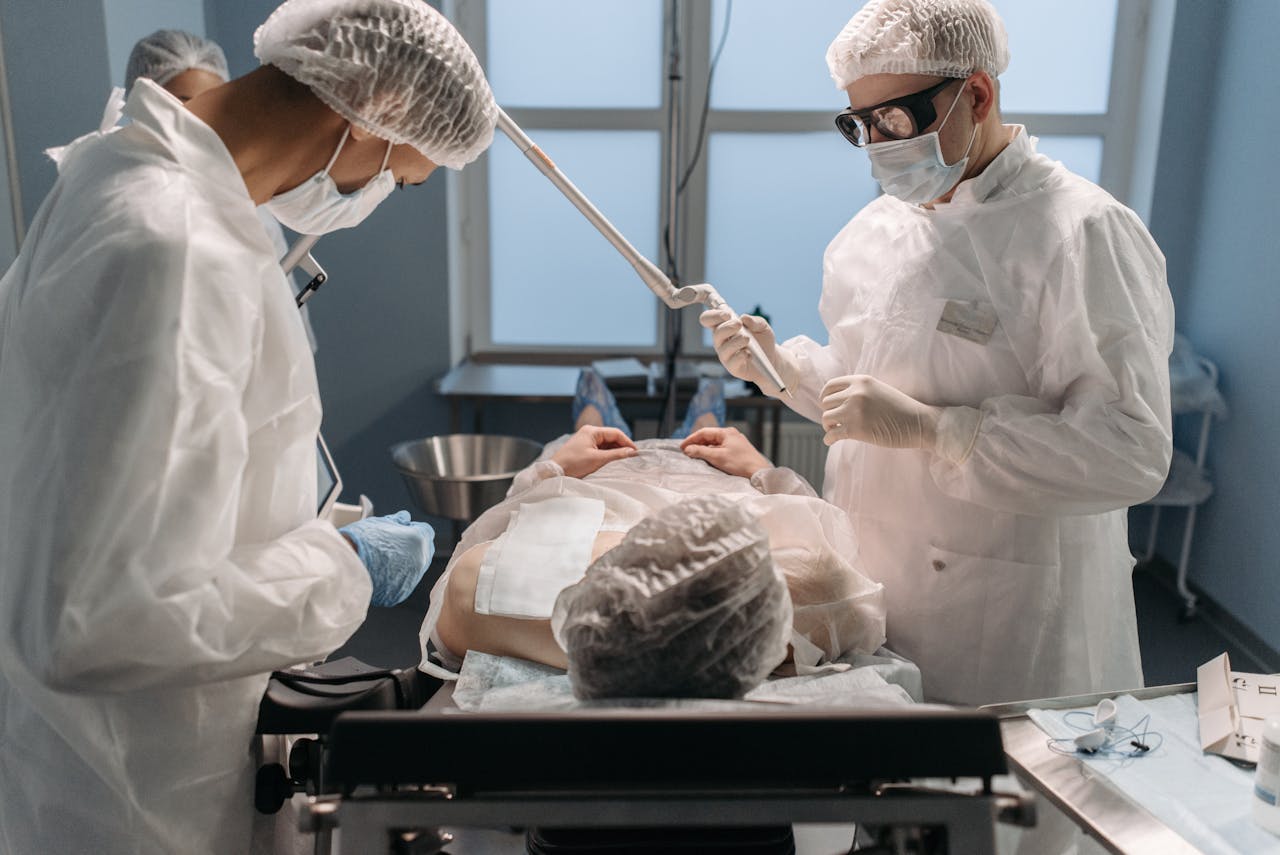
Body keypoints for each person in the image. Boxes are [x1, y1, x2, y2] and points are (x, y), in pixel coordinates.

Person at [0, 2, 496, 853]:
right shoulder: (177, 248)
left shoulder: (119, 174)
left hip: (88, 761)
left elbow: (136, 495)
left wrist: (314, 535)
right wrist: (342, 567)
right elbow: (101, 615)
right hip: (140, 800)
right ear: (370, 107)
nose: (378, 195)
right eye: (400, 177)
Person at [702, 0, 1173, 707]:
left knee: (998, 776)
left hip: (1009, 619)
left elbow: (1129, 449)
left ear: (976, 95)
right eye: (858, 124)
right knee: (880, 764)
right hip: (874, 588)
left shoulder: (1082, 233)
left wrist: (941, 431)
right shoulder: (873, 234)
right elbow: (863, 393)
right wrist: (784, 370)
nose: (876, 145)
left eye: (892, 119)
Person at [421, 370, 887, 682]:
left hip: (602, 476)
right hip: (710, 476)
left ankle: (598, 409)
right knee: (704, 436)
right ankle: (701, 411)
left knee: (590, 429)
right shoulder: (818, 599)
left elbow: (495, 532)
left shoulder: (485, 591)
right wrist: (760, 470)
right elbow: (834, 562)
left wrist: (553, 470)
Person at [123, 29, 321, 351]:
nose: (200, 123)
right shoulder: (120, 199)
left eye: (213, 106)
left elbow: (291, 336)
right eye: (184, 105)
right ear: (144, 104)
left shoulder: (249, 207)